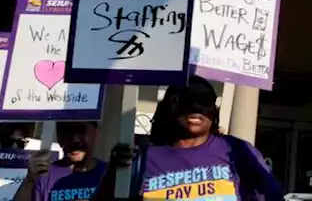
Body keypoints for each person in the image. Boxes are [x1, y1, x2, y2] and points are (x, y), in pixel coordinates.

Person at [94, 77, 284, 201]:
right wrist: (114, 170)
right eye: (185, 100)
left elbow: (272, 196)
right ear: (169, 107)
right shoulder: (142, 157)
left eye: (204, 101)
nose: (195, 108)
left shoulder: (236, 150)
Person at [13, 121, 106, 201]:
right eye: (67, 132)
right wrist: (29, 182)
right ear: (59, 137)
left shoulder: (110, 174)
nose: (75, 140)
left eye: (81, 131)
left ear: (96, 133)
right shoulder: (44, 176)